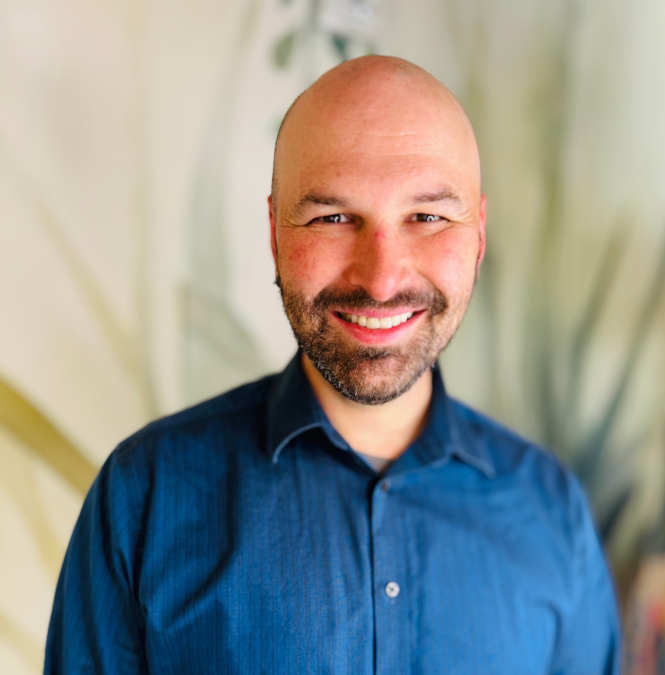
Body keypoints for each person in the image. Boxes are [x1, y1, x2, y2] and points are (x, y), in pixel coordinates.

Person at [45, 56, 620, 674]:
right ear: (274, 233)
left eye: (427, 217)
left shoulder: (551, 512)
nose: (380, 280)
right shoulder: (143, 498)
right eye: (334, 218)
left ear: (477, 235)